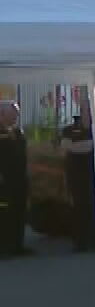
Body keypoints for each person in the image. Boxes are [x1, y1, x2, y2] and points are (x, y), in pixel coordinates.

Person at [60, 100, 95, 253]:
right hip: (76, 175)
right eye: (85, 110)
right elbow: (66, 145)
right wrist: (88, 145)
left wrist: (79, 146)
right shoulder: (70, 129)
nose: (88, 112)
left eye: (91, 110)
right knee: (78, 208)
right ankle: (80, 242)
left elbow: (92, 146)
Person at [0, 102, 28, 257]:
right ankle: (4, 246)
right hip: (3, 182)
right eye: (13, 114)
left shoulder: (18, 132)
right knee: (4, 213)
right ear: (2, 115)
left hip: (19, 180)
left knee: (18, 211)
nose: (16, 118)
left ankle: (17, 245)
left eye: (16, 114)